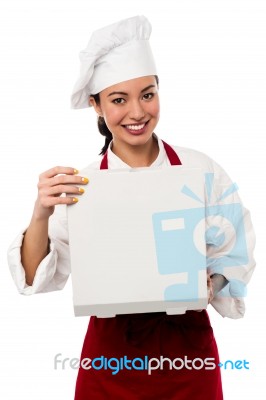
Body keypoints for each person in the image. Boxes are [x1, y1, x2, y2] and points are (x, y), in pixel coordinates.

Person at [8, 15, 255, 400]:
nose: (137, 112)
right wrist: (41, 211)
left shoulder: (199, 170)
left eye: (148, 94)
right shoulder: (82, 186)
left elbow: (236, 250)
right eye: (119, 100)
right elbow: (34, 275)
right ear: (96, 106)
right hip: (111, 355)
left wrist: (212, 284)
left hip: (187, 353)